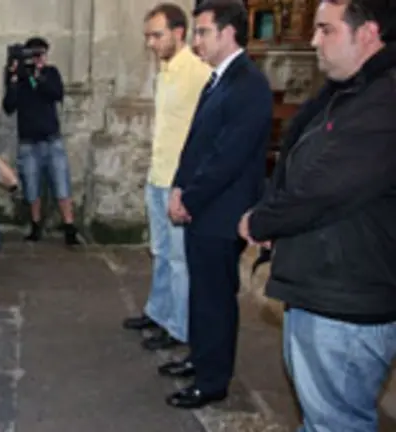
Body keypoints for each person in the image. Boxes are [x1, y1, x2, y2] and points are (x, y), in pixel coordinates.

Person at [239, 0, 396, 428]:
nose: (313, 41)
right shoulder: (352, 92)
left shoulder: (382, 102)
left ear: (367, 34)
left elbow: (322, 189)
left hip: (346, 301)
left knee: (336, 422)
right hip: (326, 289)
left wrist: (261, 221)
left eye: (326, 30)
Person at [159, 0, 273, 409]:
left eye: (203, 31)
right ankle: (201, 358)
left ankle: (213, 381)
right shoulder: (218, 80)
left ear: (228, 33)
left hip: (221, 213)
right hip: (203, 208)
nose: (196, 40)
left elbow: (228, 157)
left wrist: (189, 197)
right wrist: (177, 186)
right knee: (202, 294)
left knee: (216, 300)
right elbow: (196, 144)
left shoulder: (249, 84)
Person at [122, 3, 212, 352]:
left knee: (178, 260)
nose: (150, 44)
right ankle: (158, 312)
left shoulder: (199, 74)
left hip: (180, 181)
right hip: (158, 175)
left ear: (179, 32)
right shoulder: (165, 71)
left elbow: (204, 134)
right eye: (147, 36)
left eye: (156, 35)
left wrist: (188, 184)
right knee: (159, 252)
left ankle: (179, 328)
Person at [2, 37, 81, 245]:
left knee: (61, 183)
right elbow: (9, 106)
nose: (39, 59)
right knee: (31, 186)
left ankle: (70, 227)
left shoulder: (50, 73)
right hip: (28, 141)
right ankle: (36, 225)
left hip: (51, 139)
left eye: (42, 55)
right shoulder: (17, 76)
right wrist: (13, 79)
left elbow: (56, 94)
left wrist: (38, 76)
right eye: (35, 55)